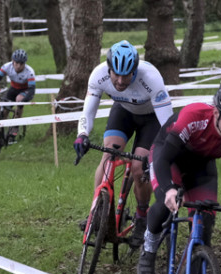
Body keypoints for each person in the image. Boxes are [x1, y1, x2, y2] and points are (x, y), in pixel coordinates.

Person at [136, 82, 221, 274]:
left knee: (205, 222)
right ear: (217, 112)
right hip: (168, 156)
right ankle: (148, 253)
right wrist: (170, 189)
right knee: (166, 204)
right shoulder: (194, 117)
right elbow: (164, 160)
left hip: (201, 166)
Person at [74, 40, 173, 245]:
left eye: (126, 75)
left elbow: (167, 125)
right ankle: (97, 212)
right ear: (109, 69)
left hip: (152, 119)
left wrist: (164, 151)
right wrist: (82, 134)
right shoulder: (98, 75)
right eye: (115, 74)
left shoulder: (152, 79)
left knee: (139, 167)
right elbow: (88, 110)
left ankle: (142, 216)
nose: (120, 81)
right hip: (124, 113)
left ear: (134, 71)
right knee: (109, 154)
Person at [0, 49, 36, 153]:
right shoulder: (7, 66)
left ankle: (15, 126)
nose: (18, 66)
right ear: (13, 61)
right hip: (13, 89)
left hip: (25, 90)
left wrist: (23, 101)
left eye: (21, 64)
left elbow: (32, 90)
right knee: (3, 113)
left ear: (24, 63)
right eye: (16, 63)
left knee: (19, 100)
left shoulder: (29, 72)